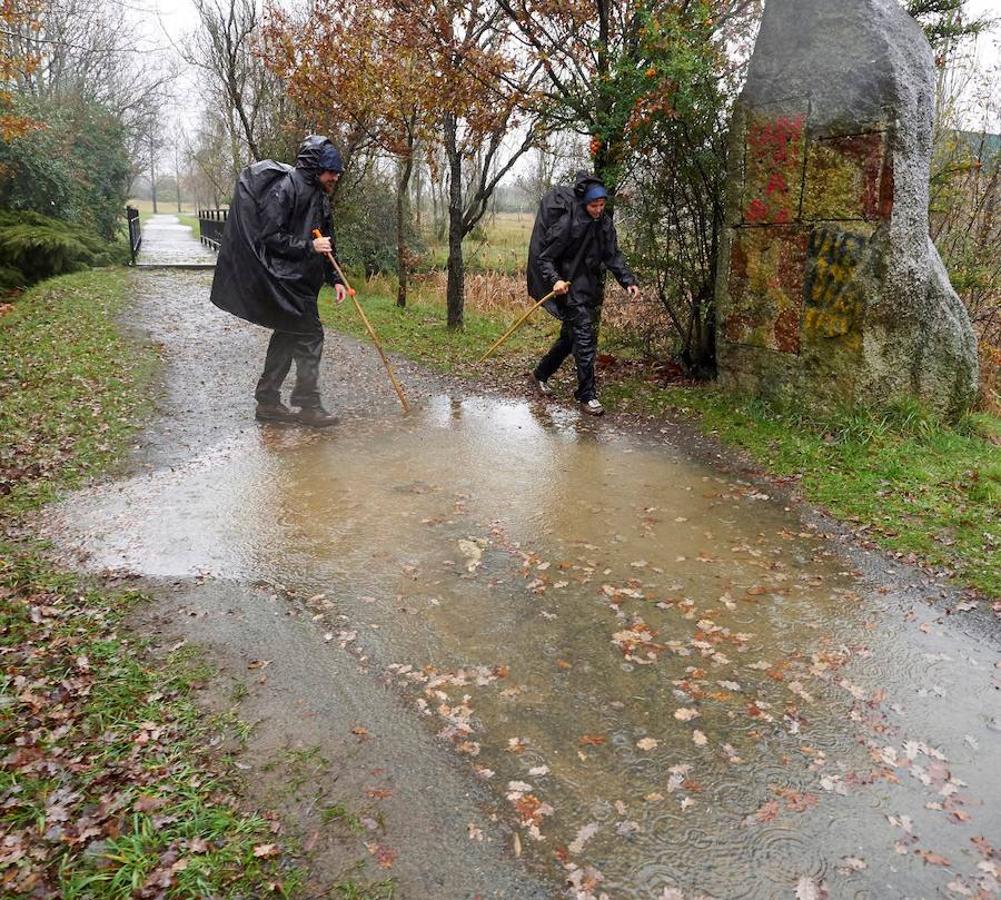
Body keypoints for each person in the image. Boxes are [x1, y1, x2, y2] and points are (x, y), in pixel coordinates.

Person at [210, 134, 348, 427]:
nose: (335, 176)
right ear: (315, 167)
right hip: (286, 280)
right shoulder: (287, 188)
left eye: (336, 171)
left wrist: (335, 278)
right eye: (331, 170)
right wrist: (308, 247)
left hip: (304, 282)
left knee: (286, 337)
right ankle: (308, 406)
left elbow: (325, 240)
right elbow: (270, 237)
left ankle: (268, 402)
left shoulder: (320, 195)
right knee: (311, 337)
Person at [527, 171, 640, 416]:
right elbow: (545, 258)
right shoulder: (567, 223)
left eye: (602, 205)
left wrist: (627, 280)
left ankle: (540, 374)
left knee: (570, 338)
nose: (598, 210)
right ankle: (587, 395)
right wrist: (555, 280)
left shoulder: (604, 223)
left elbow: (612, 255)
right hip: (567, 289)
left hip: (586, 287)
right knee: (585, 339)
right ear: (584, 202)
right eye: (594, 205)